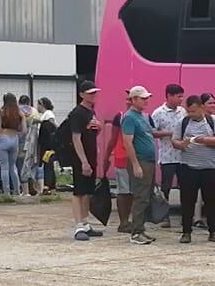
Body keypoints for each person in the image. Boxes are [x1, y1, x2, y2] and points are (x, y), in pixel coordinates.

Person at [172, 95, 215, 243]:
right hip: (188, 167)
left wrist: (206, 140)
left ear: (202, 108)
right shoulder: (182, 122)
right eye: (189, 111)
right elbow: (175, 140)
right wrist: (181, 144)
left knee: (210, 200)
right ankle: (186, 232)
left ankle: (213, 231)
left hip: (209, 167)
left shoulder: (213, 120)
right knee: (187, 201)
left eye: (194, 111)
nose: (191, 114)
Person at [64, 82, 105, 241]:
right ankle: (78, 225)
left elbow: (92, 133)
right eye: (90, 93)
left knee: (88, 190)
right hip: (80, 157)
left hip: (91, 155)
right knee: (79, 191)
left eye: (94, 92)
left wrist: (99, 128)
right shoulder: (77, 113)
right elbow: (76, 138)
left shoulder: (91, 112)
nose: (93, 95)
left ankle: (86, 223)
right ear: (81, 94)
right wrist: (83, 161)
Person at [121, 86, 158, 244]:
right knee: (140, 196)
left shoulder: (142, 116)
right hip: (140, 160)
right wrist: (135, 164)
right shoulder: (129, 117)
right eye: (143, 98)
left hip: (148, 160)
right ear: (133, 99)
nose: (146, 101)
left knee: (146, 195)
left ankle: (140, 228)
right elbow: (127, 143)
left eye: (147, 98)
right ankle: (136, 232)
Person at [149, 84, 186, 229]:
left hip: (183, 155)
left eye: (182, 96)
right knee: (166, 186)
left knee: (186, 186)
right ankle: (164, 216)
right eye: (178, 96)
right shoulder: (158, 113)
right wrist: (168, 133)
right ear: (169, 96)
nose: (180, 99)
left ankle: (185, 216)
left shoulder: (183, 111)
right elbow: (152, 132)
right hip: (167, 156)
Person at [104, 96, 135, 231]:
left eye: (131, 99)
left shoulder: (144, 117)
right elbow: (113, 138)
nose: (128, 102)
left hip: (138, 159)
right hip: (122, 158)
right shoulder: (120, 117)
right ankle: (123, 222)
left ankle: (134, 221)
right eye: (127, 99)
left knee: (135, 193)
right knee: (124, 192)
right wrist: (106, 157)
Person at [0, 93, 25, 196]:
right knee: (13, 167)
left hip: (3, 138)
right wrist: (17, 135)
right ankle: (17, 190)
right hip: (14, 138)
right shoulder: (19, 113)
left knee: (4, 167)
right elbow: (24, 130)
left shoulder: (2, 111)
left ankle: (6, 192)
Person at [37, 98, 57, 192]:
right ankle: (50, 185)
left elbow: (53, 125)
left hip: (48, 143)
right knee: (47, 163)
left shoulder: (48, 114)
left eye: (38, 105)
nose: (37, 107)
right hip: (46, 142)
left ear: (42, 105)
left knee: (48, 163)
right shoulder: (45, 115)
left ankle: (48, 185)